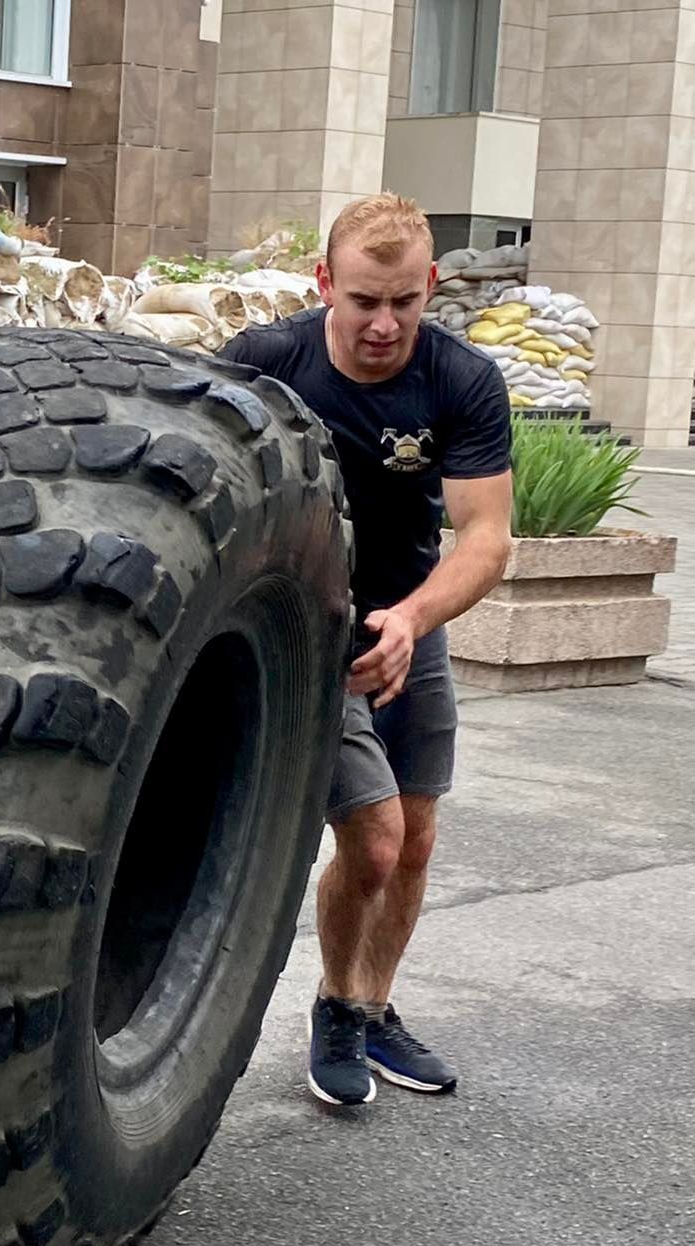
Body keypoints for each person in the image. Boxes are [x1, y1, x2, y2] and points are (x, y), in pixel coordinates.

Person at [221, 193, 512, 1106]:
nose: (384, 325)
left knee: (416, 838)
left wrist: (415, 620)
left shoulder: (461, 380)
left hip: (405, 619)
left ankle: (368, 1009)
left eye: (403, 303)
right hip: (305, 630)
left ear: (430, 286)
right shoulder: (266, 362)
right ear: (324, 285)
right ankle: (334, 1017)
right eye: (361, 302)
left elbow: (486, 537)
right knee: (376, 842)